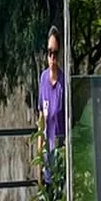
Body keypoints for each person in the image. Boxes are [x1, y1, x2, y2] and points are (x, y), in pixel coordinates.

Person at [38, 26, 65, 156]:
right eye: (49, 52)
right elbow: (41, 117)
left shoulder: (64, 83)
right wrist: (39, 151)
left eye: (55, 53)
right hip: (46, 151)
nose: (52, 57)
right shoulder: (43, 79)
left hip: (60, 151)